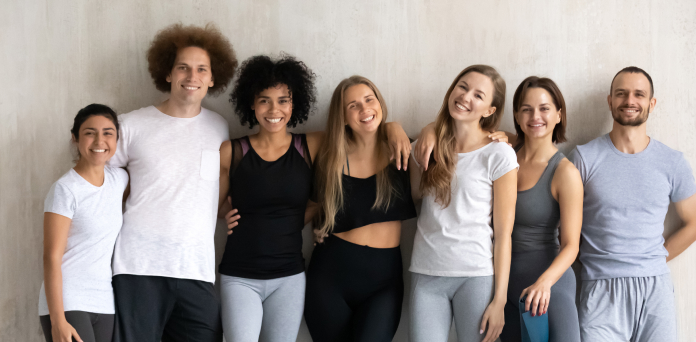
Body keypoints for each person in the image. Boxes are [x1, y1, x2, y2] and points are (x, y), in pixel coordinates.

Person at [217, 56, 412, 342]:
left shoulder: (321, 145)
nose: (274, 109)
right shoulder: (235, 150)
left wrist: (393, 126)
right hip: (290, 272)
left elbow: (372, 130)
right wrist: (225, 212)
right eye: (264, 100)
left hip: (310, 275)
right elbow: (209, 198)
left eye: (283, 100)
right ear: (251, 103)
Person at [107, 23, 238, 342]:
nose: (192, 77)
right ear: (167, 73)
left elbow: (206, 184)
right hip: (138, 269)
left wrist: (226, 209)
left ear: (211, 77)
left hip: (198, 271)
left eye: (201, 69)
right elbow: (97, 182)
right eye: (183, 67)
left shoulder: (218, 128)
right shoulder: (131, 125)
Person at [572, 66, 696, 341]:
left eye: (639, 94)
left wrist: (652, 260)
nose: (629, 101)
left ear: (651, 103)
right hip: (599, 289)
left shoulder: (672, 162)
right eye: (621, 94)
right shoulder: (584, 158)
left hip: (655, 291)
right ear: (610, 100)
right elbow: (559, 225)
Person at [407, 65, 518, 342]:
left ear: (489, 110)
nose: (466, 97)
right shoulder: (425, 146)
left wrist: (500, 300)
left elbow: (504, 234)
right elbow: (415, 197)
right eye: (463, 86)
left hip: (476, 275)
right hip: (427, 272)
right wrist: (430, 132)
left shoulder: (499, 154)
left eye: (478, 95)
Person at [303, 75, 417, 342]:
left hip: (383, 280)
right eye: (353, 105)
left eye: (369, 99)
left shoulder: (402, 150)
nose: (364, 109)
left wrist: (395, 126)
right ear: (342, 116)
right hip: (329, 275)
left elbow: (444, 133)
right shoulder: (328, 154)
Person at [496, 77, 582, 342]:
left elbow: (571, 245)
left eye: (545, 108)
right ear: (516, 116)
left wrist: (545, 283)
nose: (536, 116)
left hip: (548, 286)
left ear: (559, 115)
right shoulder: (502, 153)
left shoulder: (564, 172)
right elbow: (456, 130)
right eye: (526, 109)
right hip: (503, 283)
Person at [39, 104, 127, 342]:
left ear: (116, 139)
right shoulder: (65, 190)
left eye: (108, 133)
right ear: (75, 138)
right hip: (68, 301)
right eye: (90, 132)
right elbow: (51, 257)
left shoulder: (119, 179)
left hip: (104, 301)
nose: (100, 140)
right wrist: (58, 320)